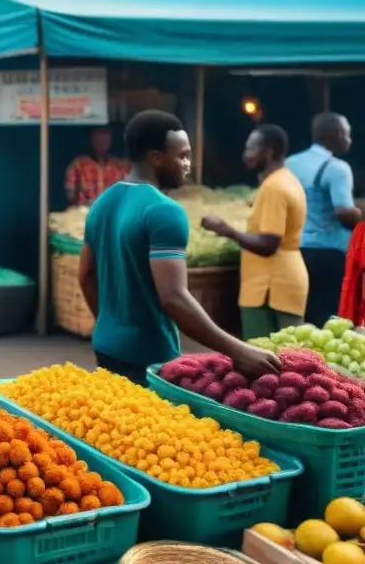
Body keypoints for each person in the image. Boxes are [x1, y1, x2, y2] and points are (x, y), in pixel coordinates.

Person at [77, 110, 282, 386]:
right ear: (155, 158)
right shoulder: (164, 211)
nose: (189, 163)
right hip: (149, 357)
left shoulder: (103, 202)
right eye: (182, 155)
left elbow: (86, 274)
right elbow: (173, 298)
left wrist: (110, 323)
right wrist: (239, 350)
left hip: (106, 346)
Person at [202, 125, 309, 339]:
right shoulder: (285, 180)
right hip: (279, 282)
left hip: (270, 287)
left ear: (268, 152)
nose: (245, 155)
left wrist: (225, 230)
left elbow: (268, 244)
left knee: (264, 358)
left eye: (251, 149)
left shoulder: (274, 188)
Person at [287, 113, 361, 326]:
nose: (349, 139)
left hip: (296, 250)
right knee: (330, 317)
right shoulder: (338, 168)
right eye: (347, 133)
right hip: (329, 253)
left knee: (306, 313)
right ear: (335, 135)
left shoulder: (290, 163)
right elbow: (343, 212)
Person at [65, 127, 130, 207]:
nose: (102, 138)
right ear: (91, 137)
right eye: (98, 133)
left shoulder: (120, 166)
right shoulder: (78, 165)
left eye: (105, 133)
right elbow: (70, 196)